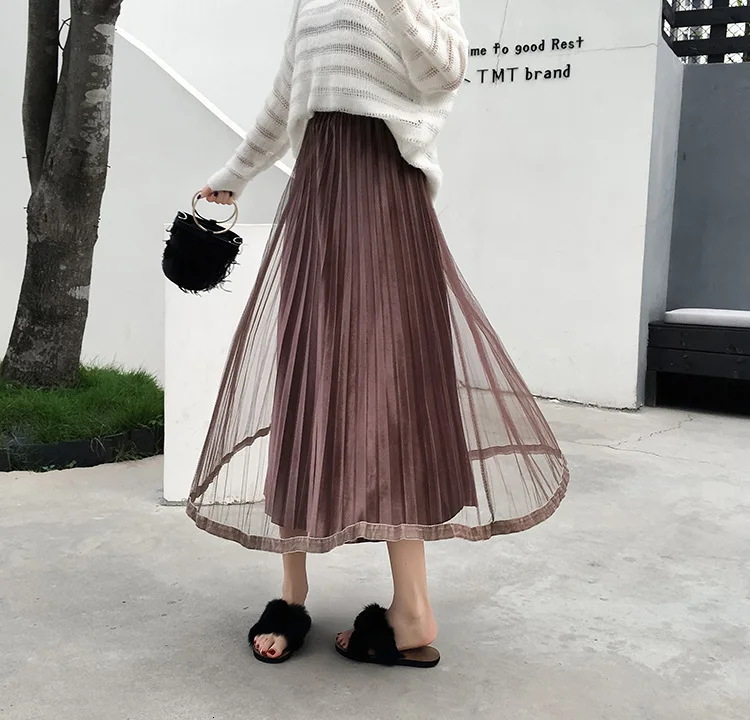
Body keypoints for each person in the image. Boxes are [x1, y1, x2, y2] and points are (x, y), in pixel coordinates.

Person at [189, 0, 569, 669]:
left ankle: (413, 608)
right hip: (318, 199)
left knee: (396, 384)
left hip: (387, 193)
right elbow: (288, 95)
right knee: (306, 376)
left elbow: (447, 70)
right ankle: (292, 595)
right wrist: (233, 175)